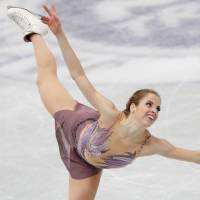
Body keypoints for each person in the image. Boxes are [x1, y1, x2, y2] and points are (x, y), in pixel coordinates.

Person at [7, 4, 200, 200]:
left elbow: (194, 157)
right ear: (133, 107)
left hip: (86, 163)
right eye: (149, 104)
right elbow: (79, 76)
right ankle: (34, 31)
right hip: (75, 122)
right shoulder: (109, 113)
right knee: (45, 80)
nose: (154, 110)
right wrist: (60, 34)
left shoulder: (152, 145)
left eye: (158, 108)